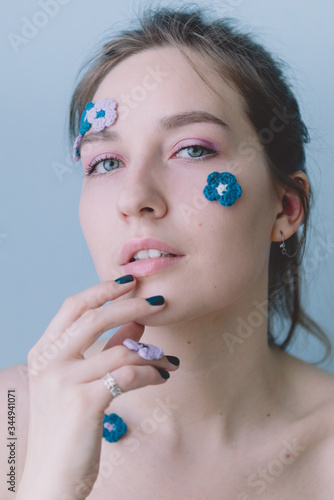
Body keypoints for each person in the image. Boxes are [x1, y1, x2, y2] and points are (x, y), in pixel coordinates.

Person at [1, 6, 334, 499]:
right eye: (106, 161)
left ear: (285, 207)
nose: (134, 196)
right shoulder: (11, 417)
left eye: (193, 150)